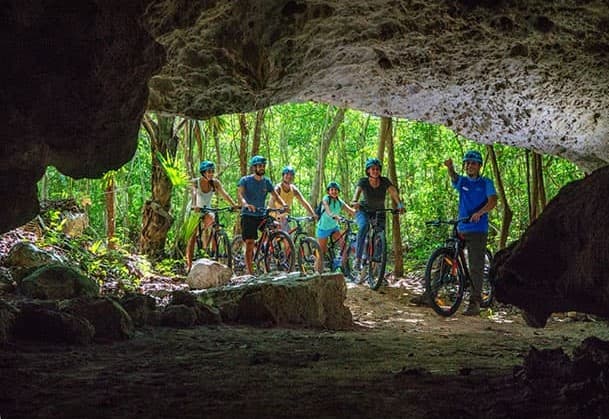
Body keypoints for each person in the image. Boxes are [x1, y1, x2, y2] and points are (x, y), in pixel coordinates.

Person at [444, 150, 497, 316]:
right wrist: (450, 167)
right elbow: (454, 178)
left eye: (473, 163)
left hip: (477, 230)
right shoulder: (463, 181)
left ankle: (475, 302)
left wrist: (480, 213)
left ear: (479, 166)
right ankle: (431, 292)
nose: (469, 166)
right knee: (446, 255)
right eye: (467, 163)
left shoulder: (485, 182)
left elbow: (493, 200)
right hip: (462, 227)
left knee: (476, 265)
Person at [351, 157, 404, 269]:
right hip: (364, 210)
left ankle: (378, 269)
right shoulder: (363, 181)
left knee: (380, 237)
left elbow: (393, 192)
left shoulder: (384, 181)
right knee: (364, 226)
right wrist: (355, 201)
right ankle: (358, 258)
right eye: (373, 169)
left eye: (377, 169)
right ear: (368, 171)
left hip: (379, 212)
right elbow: (357, 191)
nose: (375, 171)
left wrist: (399, 204)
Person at [237, 155, 288, 275]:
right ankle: (250, 272)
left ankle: (263, 249)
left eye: (263, 166)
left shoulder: (267, 182)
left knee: (274, 227)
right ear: (254, 167)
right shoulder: (245, 180)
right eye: (259, 166)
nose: (262, 168)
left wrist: (284, 205)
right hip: (248, 215)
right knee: (249, 242)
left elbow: (275, 195)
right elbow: (240, 195)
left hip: (261, 214)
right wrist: (246, 204)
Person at [186, 160, 239, 271]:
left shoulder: (215, 183)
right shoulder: (195, 182)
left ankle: (209, 250)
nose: (211, 174)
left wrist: (234, 205)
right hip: (195, 208)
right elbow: (194, 193)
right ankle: (189, 265)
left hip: (207, 208)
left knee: (213, 223)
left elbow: (224, 194)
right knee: (192, 236)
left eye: (212, 171)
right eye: (208, 171)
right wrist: (195, 206)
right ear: (203, 172)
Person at [316, 181, 355, 273]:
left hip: (334, 228)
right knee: (321, 253)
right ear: (328, 191)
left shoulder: (339, 201)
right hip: (323, 228)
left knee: (344, 246)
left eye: (336, 190)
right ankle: (317, 273)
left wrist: (359, 215)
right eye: (332, 190)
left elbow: (350, 210)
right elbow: (326, 208)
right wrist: (332, 215)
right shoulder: (326, 198)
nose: (334, 191)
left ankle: (345, 270)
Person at [268, 165, 318, 231]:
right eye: (287, 174)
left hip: (283, 218)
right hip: (272, 217)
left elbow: (303, 202)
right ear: (283, 176)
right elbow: (271, 202)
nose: (289, 176)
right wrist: (276, 214)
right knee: (275, 238)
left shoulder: (293, 189)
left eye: (291, 175)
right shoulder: (278, 188)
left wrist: (313, 214)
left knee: (288, 239)